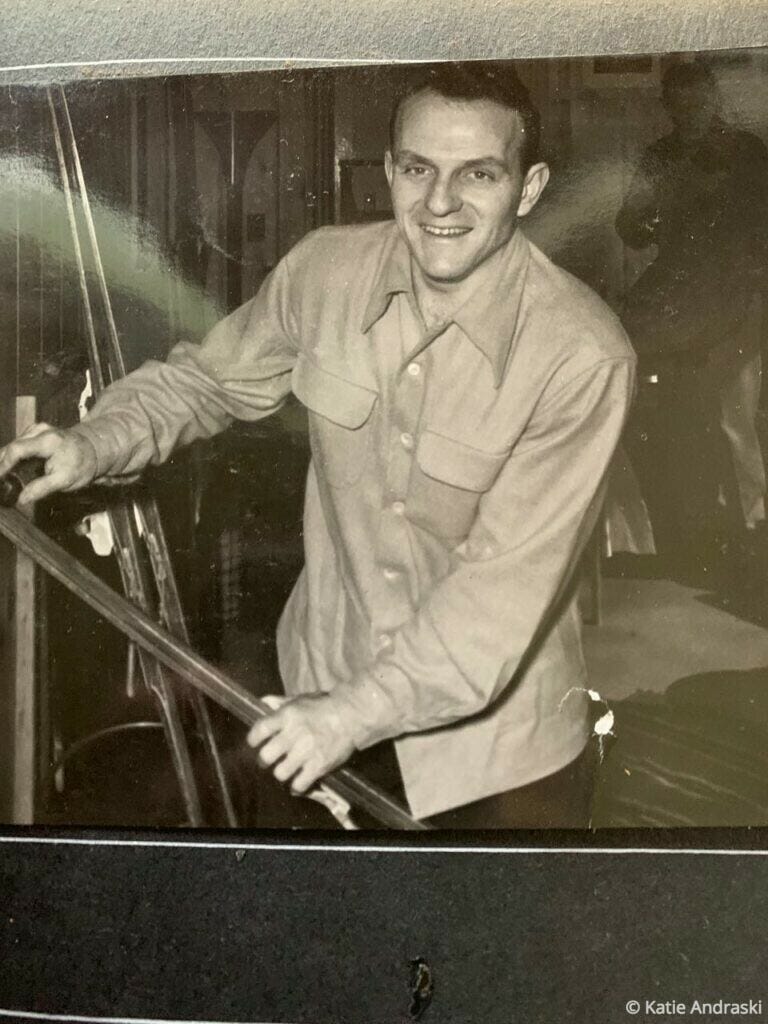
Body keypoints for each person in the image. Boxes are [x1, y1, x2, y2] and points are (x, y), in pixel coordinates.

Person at [0, 62, 635, 828]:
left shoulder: (582, 355)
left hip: (493, 754)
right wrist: (91, 443)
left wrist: (350, 716)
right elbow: (209, 381)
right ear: (389, 170)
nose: (439, 203)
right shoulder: (326, 270)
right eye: (417, 169)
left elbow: (499, 596)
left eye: (478, 175)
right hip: (321, 695)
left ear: (528, 190)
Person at [617, 60, 768, 566]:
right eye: (679, 106)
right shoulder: (660, 157)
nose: (690, 114)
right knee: (683, 418)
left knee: (735, 418)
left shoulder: (748, 153)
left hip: (739, 299)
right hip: (681, 302)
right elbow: (630, 226)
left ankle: (756, 529)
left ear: (715, 100)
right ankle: (697, 533)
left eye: (699, 102)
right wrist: (654, 219)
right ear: (668, 108)